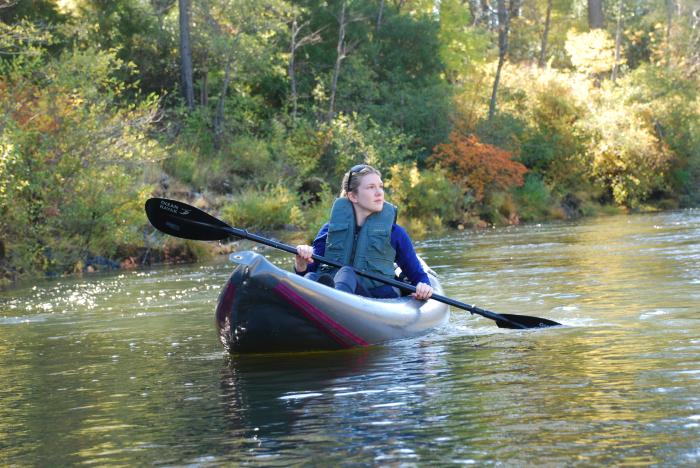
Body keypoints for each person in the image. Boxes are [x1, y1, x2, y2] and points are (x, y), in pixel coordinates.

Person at [294, 164, 433, 301]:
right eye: (371, 187)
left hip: (379, 299)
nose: (379, 192)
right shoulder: (330, 230)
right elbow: (308, 270)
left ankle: (328, 305)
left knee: (346, 272)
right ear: (353, 196)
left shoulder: (395, 233)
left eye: (380, 187)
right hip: (336, 294)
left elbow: (418, 276)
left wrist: (424, 287)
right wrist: (301, 263)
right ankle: (317, 307)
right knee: (311, 278)